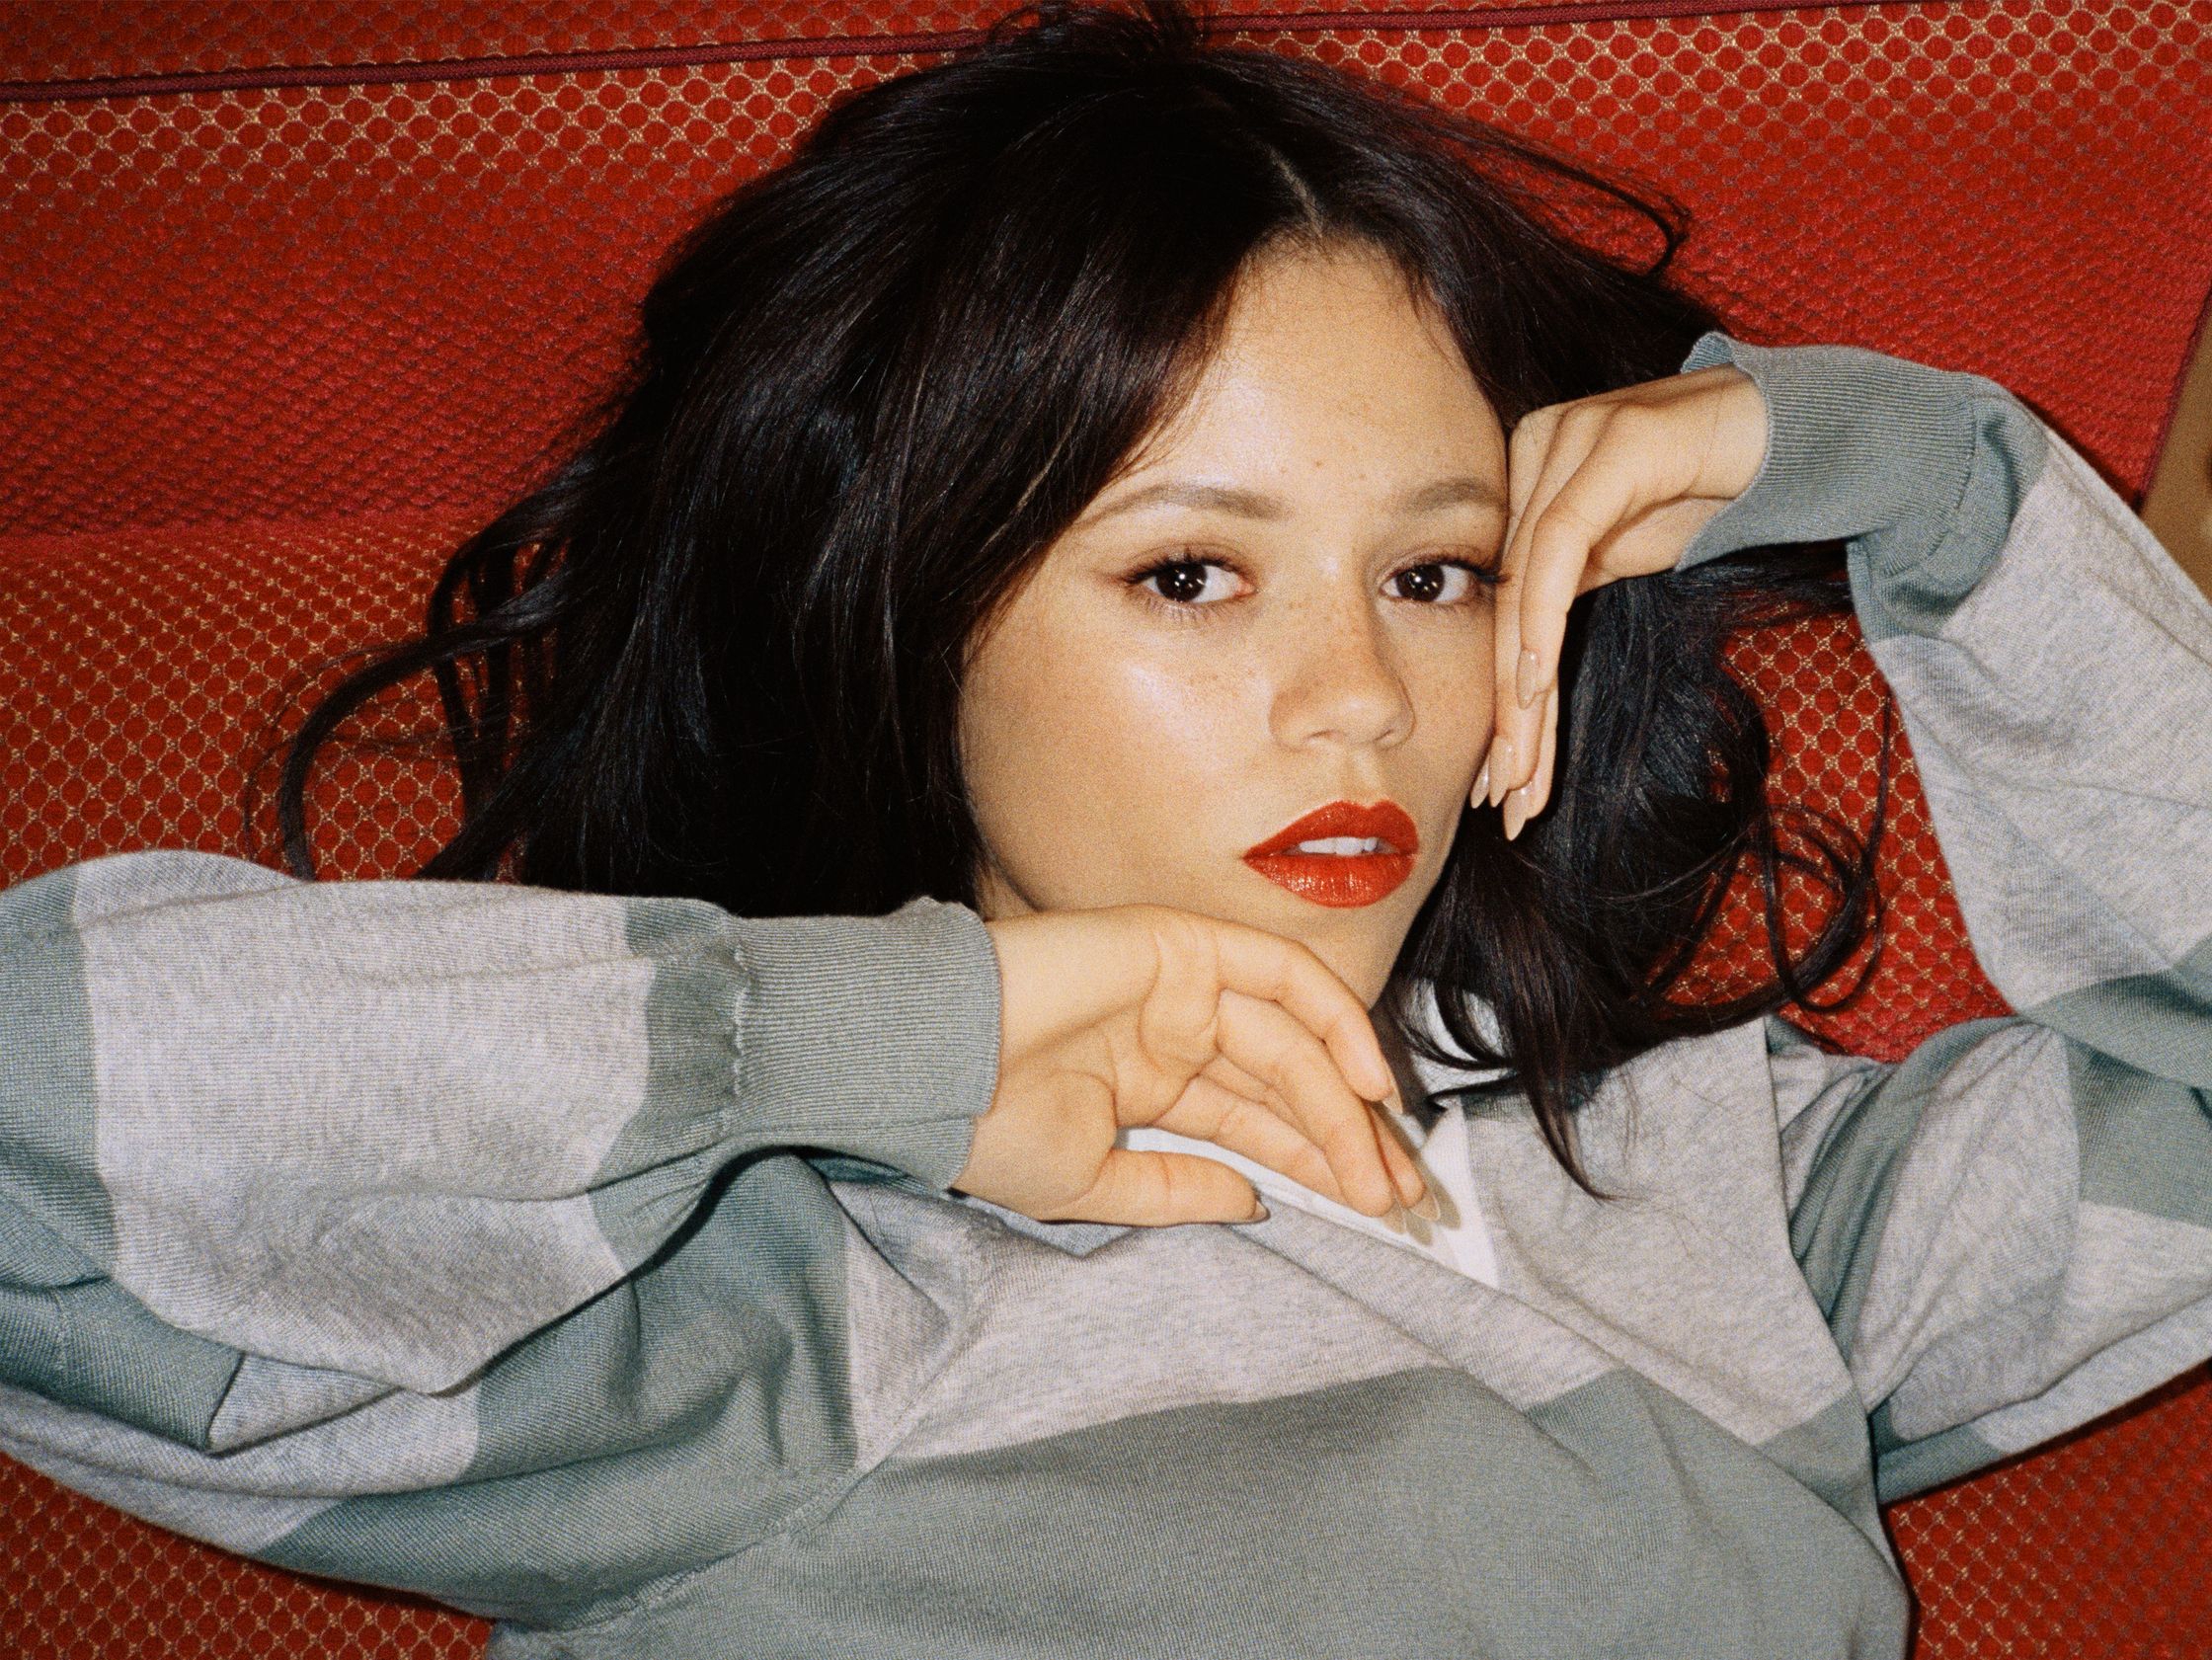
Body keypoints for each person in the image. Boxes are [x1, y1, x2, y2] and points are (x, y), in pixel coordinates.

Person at [3, 4, 2207, 1656]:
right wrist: (875, 1042)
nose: (1359, 697)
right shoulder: (768, 1281)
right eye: (1189, 573)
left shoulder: (1715, 1188)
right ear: (908, 625)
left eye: (1433, 570)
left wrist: (1933, 480)